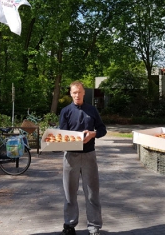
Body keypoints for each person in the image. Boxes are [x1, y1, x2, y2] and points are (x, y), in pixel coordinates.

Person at [59, 81, 107, 235]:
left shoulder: (92, 110)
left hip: (88, 155)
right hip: (70, 156)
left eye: (79, 92)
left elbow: (102, 129)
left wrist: (94, 134)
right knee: (69, 193)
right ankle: (69, 224)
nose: (77, 95)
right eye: (74, 92)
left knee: (92, 193)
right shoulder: (65, 111)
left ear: (84, 93)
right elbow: (62, 134)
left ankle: (94, 227)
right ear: (70, 93)